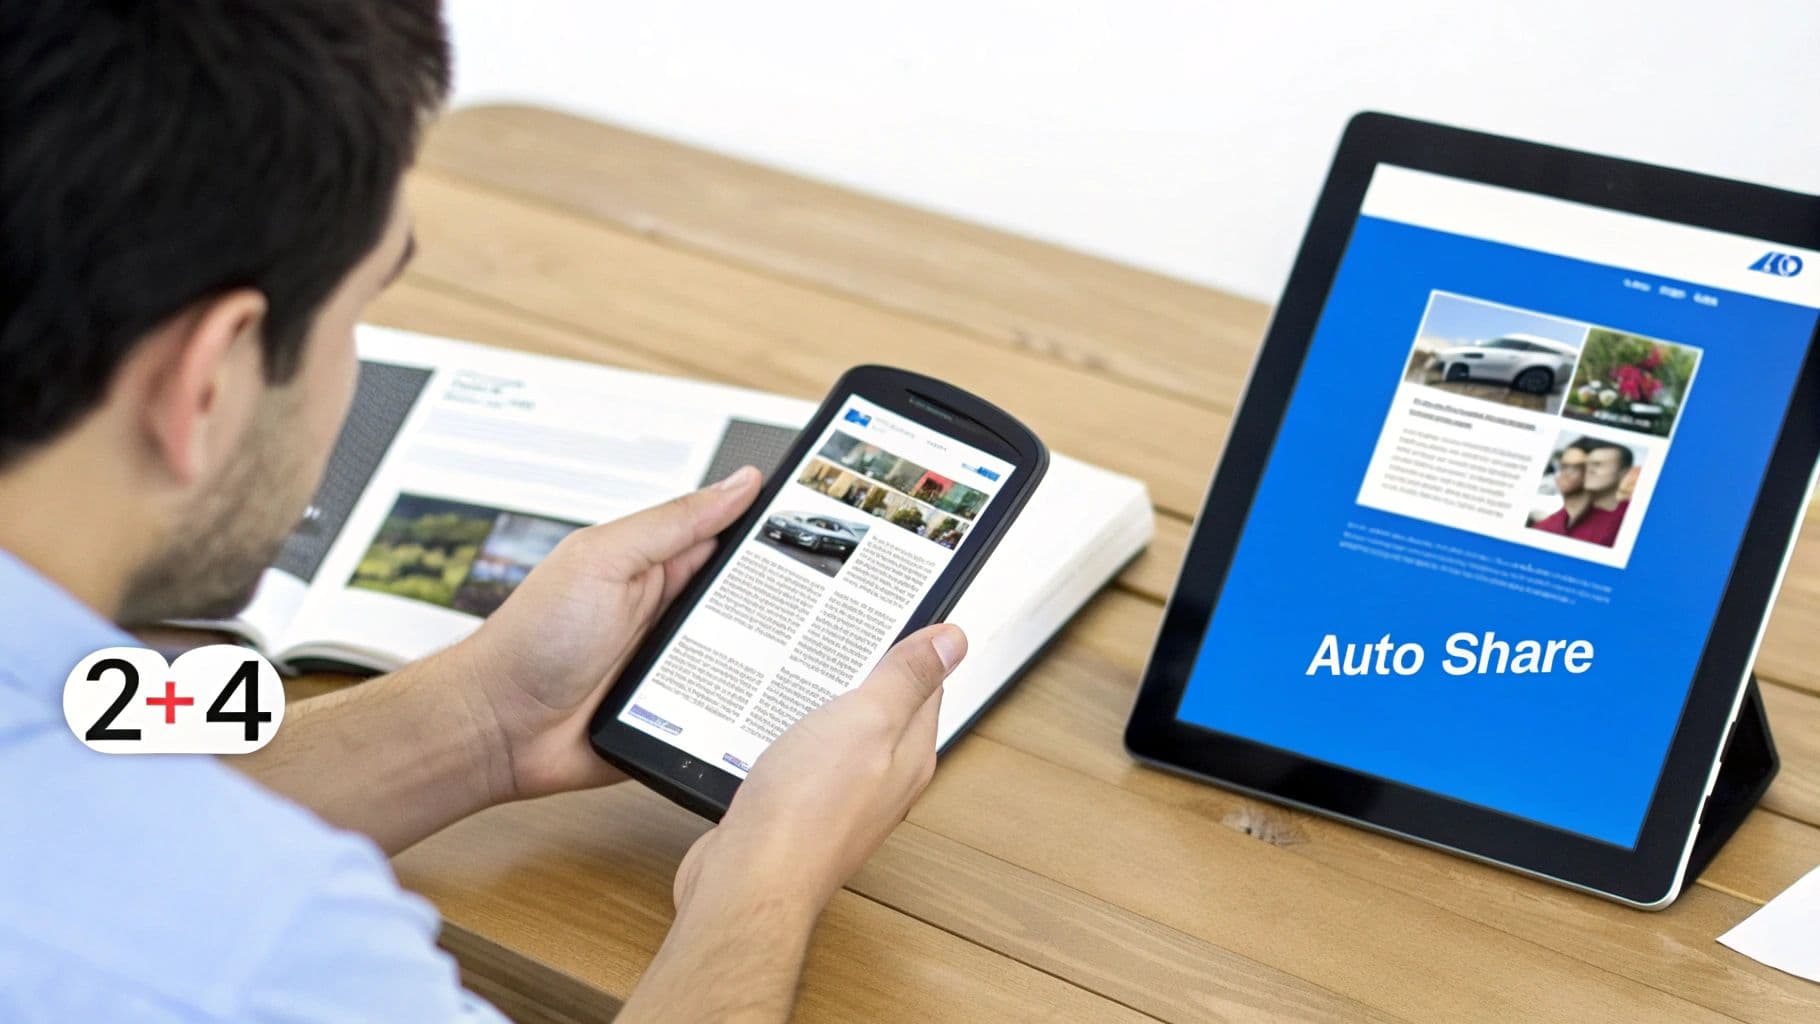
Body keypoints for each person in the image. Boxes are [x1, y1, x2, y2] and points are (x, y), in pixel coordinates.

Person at [0, 3, 964, 1021]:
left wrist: (481, 720)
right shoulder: (265, 953)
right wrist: (764, 880)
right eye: (360, 309)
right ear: (208, 382)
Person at [1529, 437, 1635, 547]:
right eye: (1587, 465)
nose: (1589, 470)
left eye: (1598, 465)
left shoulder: (1632, 517)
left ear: (1624, 472)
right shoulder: (1556, 521)